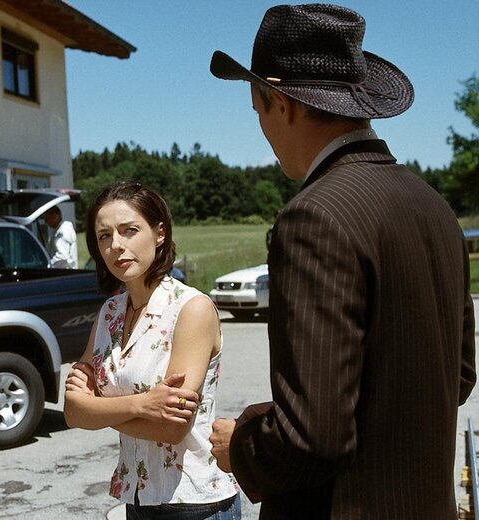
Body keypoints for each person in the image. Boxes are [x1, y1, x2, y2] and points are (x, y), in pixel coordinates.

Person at [207, 4, 475, 518]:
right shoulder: (436, 207)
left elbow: (314, 439)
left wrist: (242, 445)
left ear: (280, 102)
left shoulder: (314, 218)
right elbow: (456, 377)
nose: (260, 125)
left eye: (257, 108)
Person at [64, 181, 240, 519]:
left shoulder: (191, 308)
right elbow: (73, 412)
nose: (116, 246)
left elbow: (173, 428)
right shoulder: (110, 313)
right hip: (138, 501)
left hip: (194, 504)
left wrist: (98, 410)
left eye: (129, 231)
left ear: (159, 233)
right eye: (104, 236)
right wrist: (142, 405)